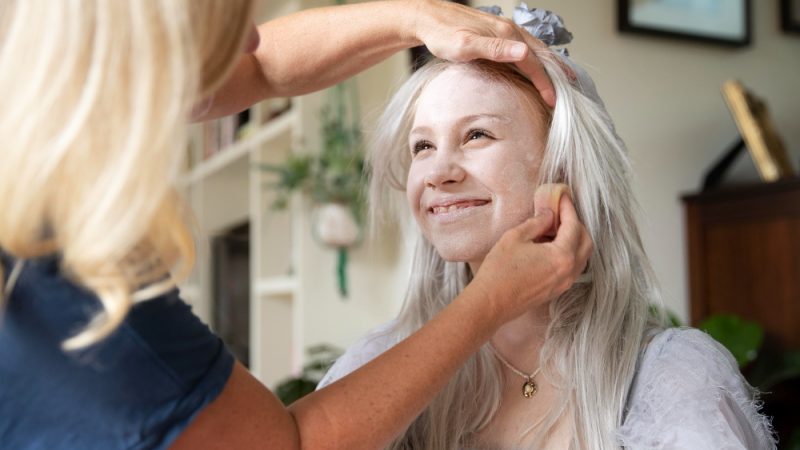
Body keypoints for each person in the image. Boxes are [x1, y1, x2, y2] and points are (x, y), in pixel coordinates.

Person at [0, 1, 594, 449]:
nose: (254, 35)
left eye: (478, 135)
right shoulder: (69, 279)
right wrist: (488, 300)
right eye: (420, 146)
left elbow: (259, 66)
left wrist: (416, 17)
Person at [318, 6, 776, 449]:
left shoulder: (672, 376)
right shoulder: (375, 365)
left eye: (477, 134)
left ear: (564, 164)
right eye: (422, 145)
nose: (437, 172)